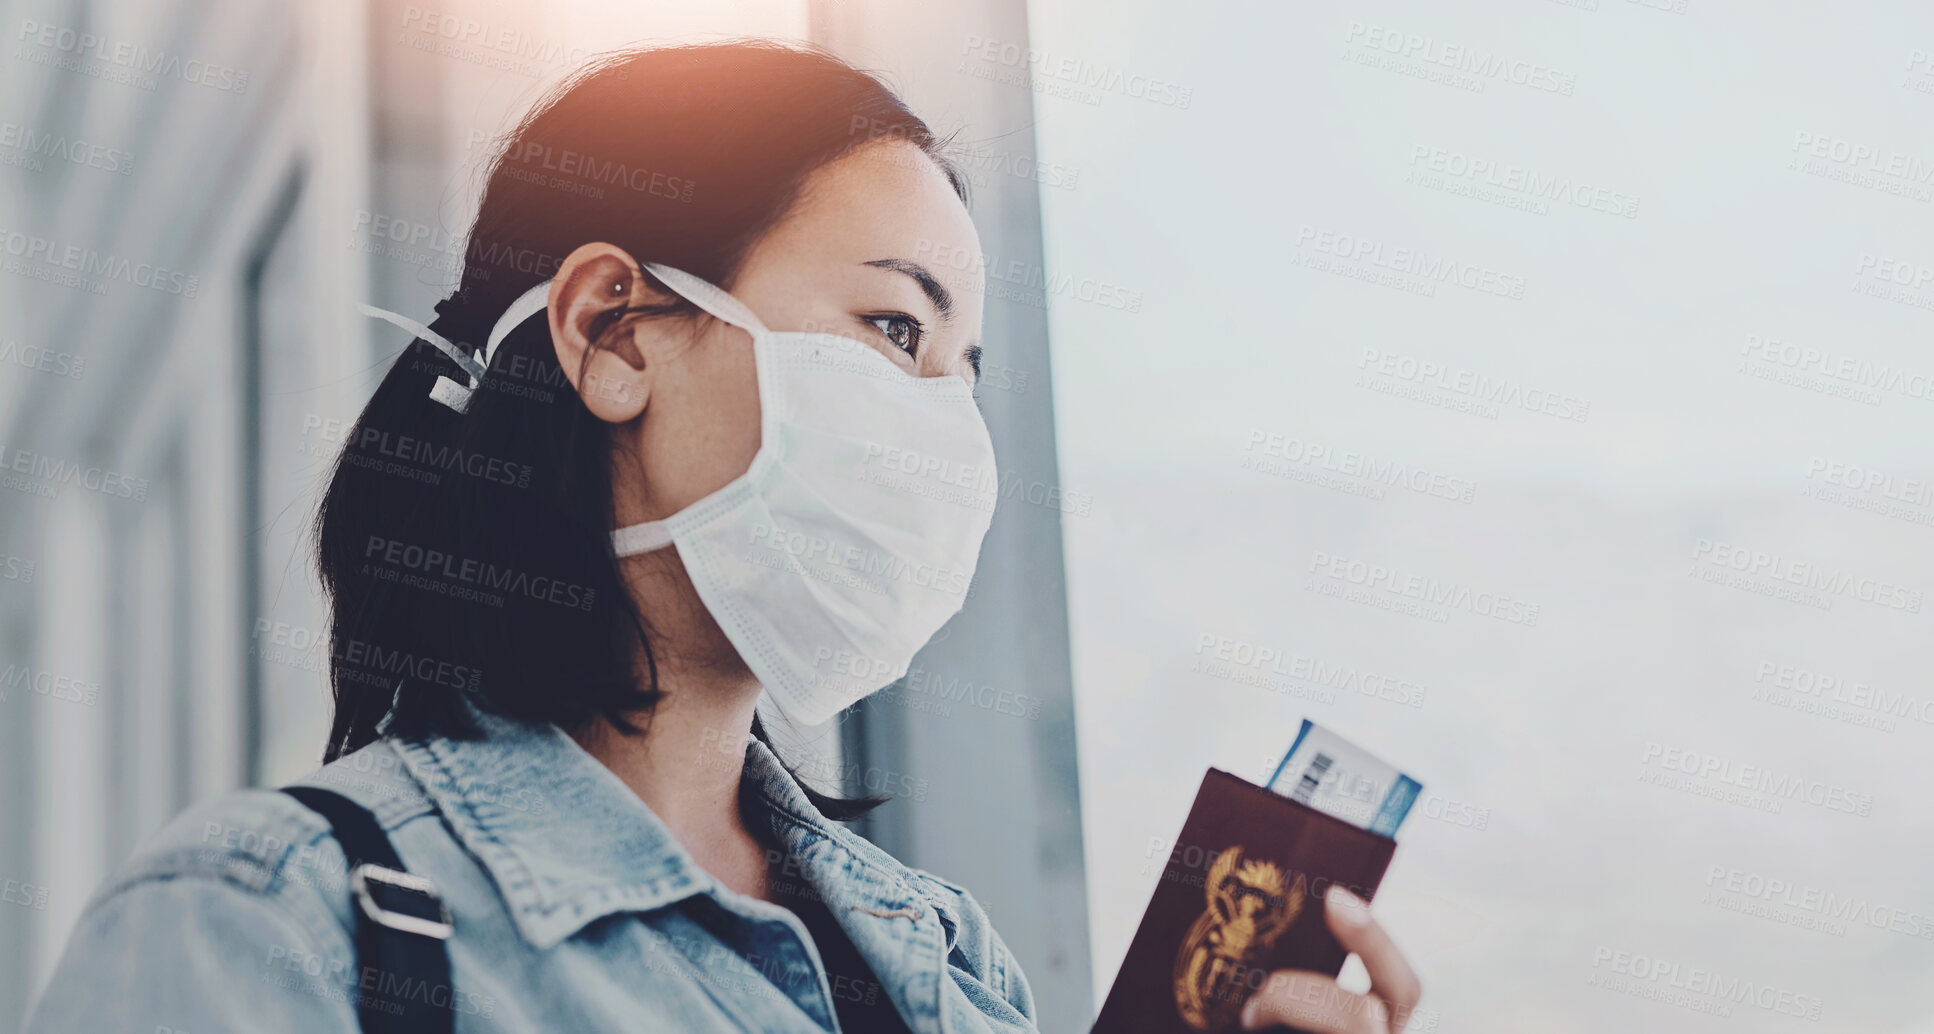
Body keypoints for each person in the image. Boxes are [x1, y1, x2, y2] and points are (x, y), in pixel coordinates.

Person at [25, 41, 1419, 1034]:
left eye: (963, 366)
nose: (946, 430)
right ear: (612, 332)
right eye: (891, 328)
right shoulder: (264, 929)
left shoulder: (948, 962)